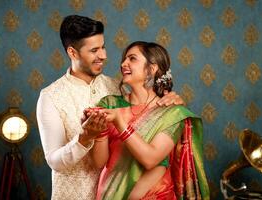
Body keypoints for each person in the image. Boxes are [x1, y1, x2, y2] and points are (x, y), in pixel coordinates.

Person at [36, 15, 185, 199]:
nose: (104, 56)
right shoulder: (51, 96)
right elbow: (54, 161)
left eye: (103, 47)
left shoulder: (117, 88)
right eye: (94, 50)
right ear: (73, 53)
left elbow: (148, 122)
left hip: (125, 192)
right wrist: (84, 138)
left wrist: (170, 99)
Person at [88, 41, 210, 199]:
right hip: (112, 192)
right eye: (124, 59)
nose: (123, 63)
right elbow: (98, 163)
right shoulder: (109, 104)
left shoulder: (171, 113)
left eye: (132, 59)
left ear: (151, 69)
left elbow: (150, 159)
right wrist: (99, 129)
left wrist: (119, 121)